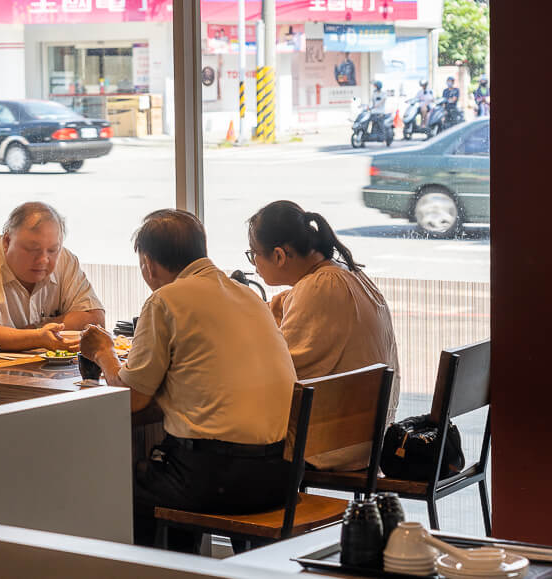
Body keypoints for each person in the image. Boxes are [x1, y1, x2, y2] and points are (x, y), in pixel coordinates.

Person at [79, 209, 297, 550]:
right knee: (170, 459)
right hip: (280, 476)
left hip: (218, 480)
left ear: (148, 264)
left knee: (115, 485)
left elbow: (131, 399)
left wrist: (103, 352)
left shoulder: (165, 300)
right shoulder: (249, 297)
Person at [246, 200, 401, 470]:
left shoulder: (319, 288)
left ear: (280, 256)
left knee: (224, 431)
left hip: (336, 445)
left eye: (253, 254)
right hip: (370, 435)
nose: (254, 263)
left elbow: (285, 375)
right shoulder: (350, 276)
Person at [0, 202, 104, 355]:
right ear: (7, 241)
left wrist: (38, 329)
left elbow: (94, 318)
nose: (43, 259)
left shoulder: (65, 260)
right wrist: (38, 337)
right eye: (32, 249)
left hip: (43, 375)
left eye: (53, 250)